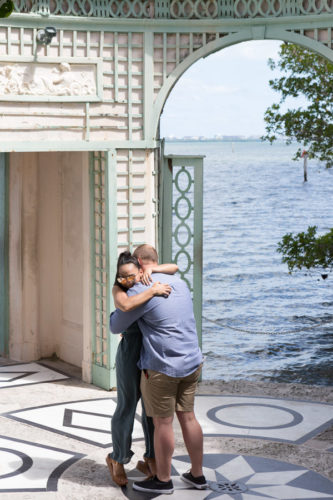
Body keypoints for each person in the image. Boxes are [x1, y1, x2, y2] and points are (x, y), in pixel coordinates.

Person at [110, 245, 207, 495]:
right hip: (192, 361)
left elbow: (115, 323)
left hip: (163, 365)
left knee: (161, 422)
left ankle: (163, 479)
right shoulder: (180, 282)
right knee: (188, 417)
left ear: (141, 265)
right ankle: (197, 475)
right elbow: (173, 268)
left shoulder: (144, 289)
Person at [106, 248, 178, 487]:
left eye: (131, 275)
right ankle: (117, 459)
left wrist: (152, 270)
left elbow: (175, 267)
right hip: (130, 351)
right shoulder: (120, 289)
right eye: (122, 276)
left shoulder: (146, 276)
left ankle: (151, 457)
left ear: (139, 268)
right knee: (126, 405)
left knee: (151, 409)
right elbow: (126, 308)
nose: (127, 280)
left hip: (150, 349)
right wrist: (152, 290)